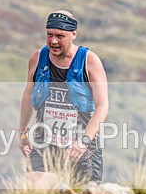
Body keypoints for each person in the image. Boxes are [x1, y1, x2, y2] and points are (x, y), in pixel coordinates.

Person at [18, 11, 109, 182]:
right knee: (35, 191)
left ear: (73, 34)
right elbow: (28, 93)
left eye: (60, 36)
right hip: (44, 143)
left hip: (81, 148)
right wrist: (22, 132)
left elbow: (102, 106)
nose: (53, 41)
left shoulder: (89, 61)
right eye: (49, 34)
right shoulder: (37, 58)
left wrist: (83, 142)